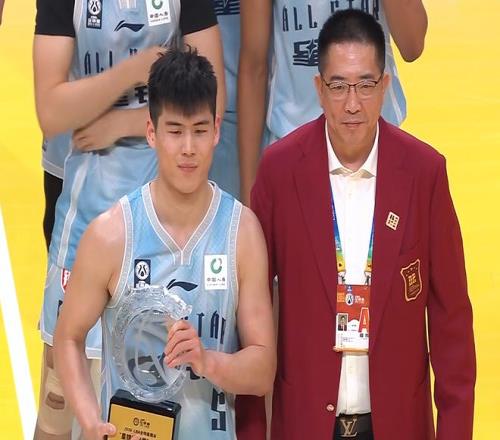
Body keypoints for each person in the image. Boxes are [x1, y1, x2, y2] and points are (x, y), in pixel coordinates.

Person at [238, 9, 475, 440]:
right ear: (319, 89)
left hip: (399, 426)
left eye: (365, 85)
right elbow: (250, 310)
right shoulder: (279, 171)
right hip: (305, 425)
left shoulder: (424, 173)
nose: (352, 104)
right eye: (338, 86)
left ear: (385, 86)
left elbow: (452, 322)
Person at [53, 48, 276, 440]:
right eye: (175, 131)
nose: (188, 147)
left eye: (200, 130)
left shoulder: (242, 232)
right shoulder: (111, 235)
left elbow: (262, 370)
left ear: (217, 131)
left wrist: (206, 361)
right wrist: (90, 421)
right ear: (151, 132)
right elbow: (68, 338)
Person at [33, 0, 226, 437]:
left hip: (166, 226)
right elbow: (51, 111)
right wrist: (134, 71)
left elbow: (213, 99)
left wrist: (122, 123)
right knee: (59, 405)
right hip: (86, 214)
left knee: (152, 401)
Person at [238, 0, 427, 205]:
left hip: (375, 144)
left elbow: (412, 45)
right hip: (293, 146)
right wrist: (250, 196)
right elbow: (253, 67)